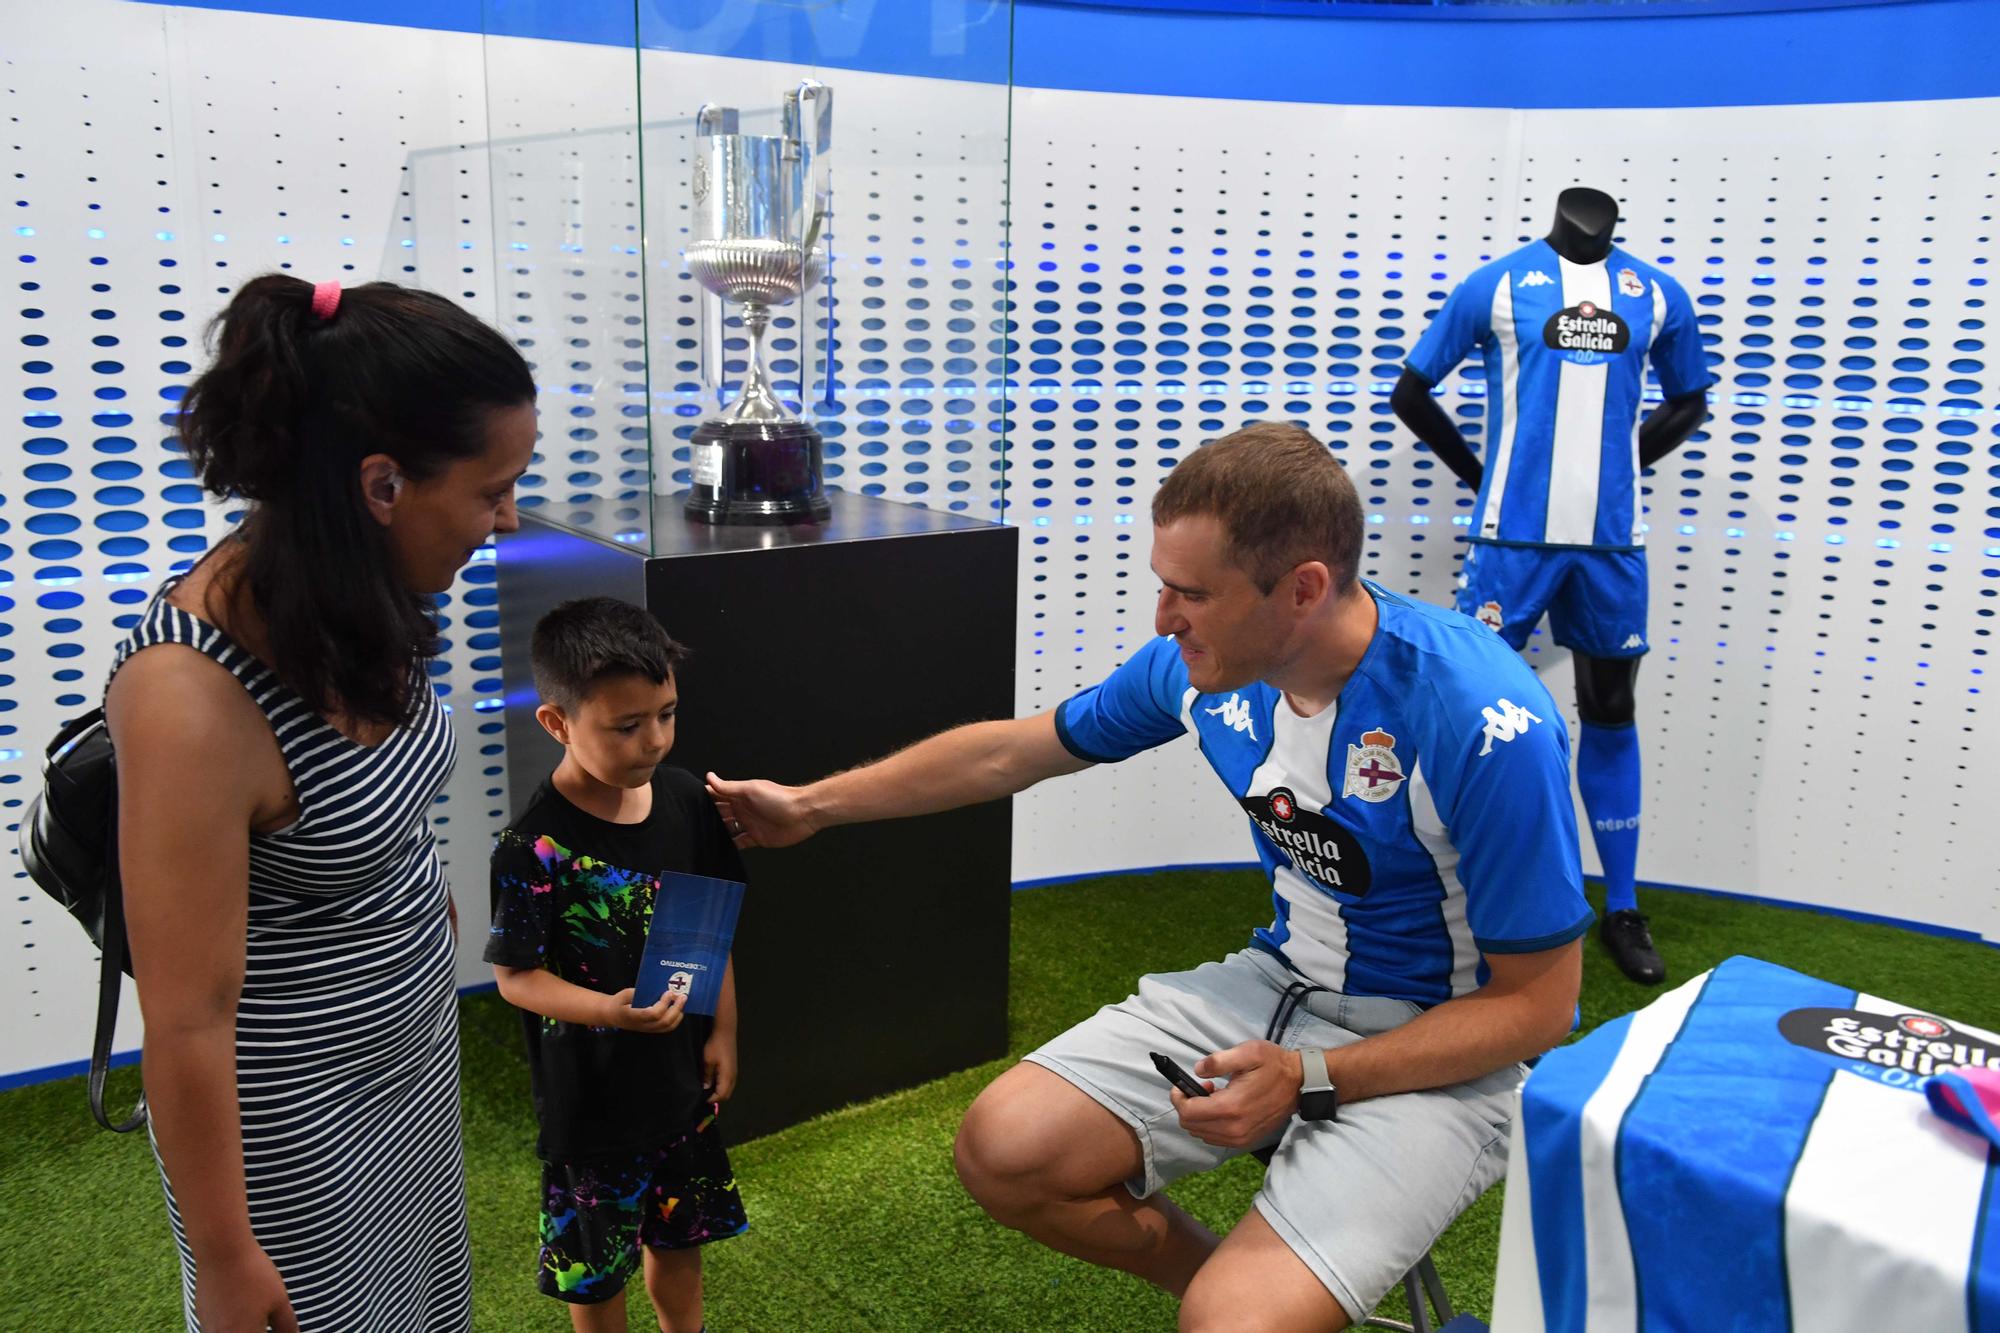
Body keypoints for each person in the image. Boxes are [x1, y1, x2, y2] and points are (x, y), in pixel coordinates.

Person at [707, 424, 1590, 1332]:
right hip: (1279, 985)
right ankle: (1238, 1297)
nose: (1164, 618)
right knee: (1005, 1150)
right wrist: (812, 807)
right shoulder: (1202, 670)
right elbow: (1017, 751)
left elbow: (1537, 1009)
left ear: (1305, 589)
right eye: (1163, 584)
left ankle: (1249, 1309)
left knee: (1234, 1320)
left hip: (1441, 1045)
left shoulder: (1482, 719)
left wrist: (1311, 1077)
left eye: (1193, 594)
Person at [106, 274, 537, 1331]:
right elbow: (189, 1019)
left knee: (428, 1306)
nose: (506, 518)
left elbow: (379, 811)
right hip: (293, 1132)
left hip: (410, 1052)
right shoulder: (186, 698)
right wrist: (224, 1254)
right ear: (381, 483)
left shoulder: (362, 590)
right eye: (490, 491)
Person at [1390, 187, 1715, 986]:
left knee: (1610, 711)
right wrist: (1482, 472)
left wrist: (1621, 466)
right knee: (1470, 708)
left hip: (1612, 544)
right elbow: (1410, 392)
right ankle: (1446, 887)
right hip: (1511, 541)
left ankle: (1624, 904)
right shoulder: (1495, 285)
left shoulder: (1657, 293)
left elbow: (1691, 399)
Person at [486, 597, 748, 1333]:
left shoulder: (688, 799)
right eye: (626, 726)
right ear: (557, 722)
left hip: (678, 1086)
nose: (654, 740)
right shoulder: (532, 846)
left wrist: (722, 1028)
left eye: (666, 713)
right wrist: (610, 1010)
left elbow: (706, 921)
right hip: (591, 1108)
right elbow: (516, 976)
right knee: (597, 1272)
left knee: (682, 1237)